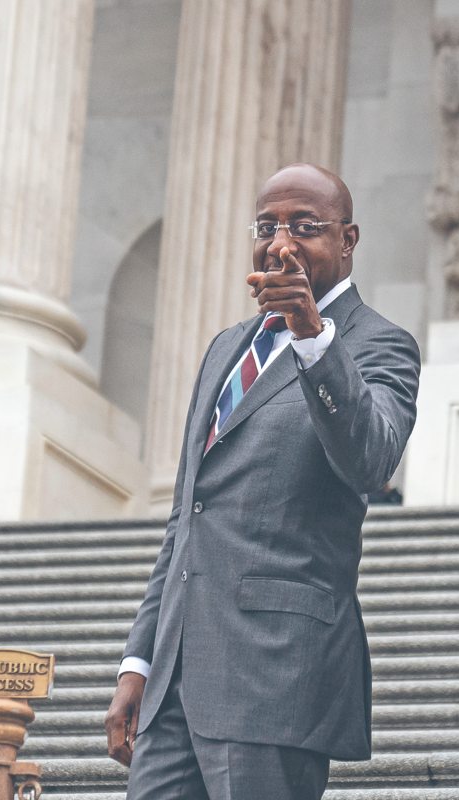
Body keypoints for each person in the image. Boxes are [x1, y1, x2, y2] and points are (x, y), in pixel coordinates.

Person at [104, 163, 421, 800]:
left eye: (305, 227)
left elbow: (372, 460)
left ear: (347, 241)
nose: (281, 243)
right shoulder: (225, 349)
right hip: (175, 683)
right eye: (267, 226)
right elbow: (186, 519)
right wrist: (139, 660)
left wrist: (312, 339)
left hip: (277, 675)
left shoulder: (380, 344)